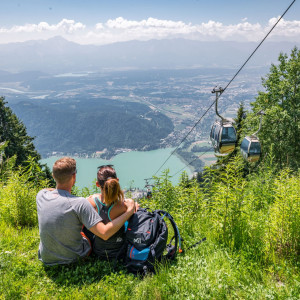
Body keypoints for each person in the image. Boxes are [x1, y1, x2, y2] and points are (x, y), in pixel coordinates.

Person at [36, 157, 136, 265]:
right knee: (87, 229)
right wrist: (129, 211)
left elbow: (48, 190)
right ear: (74, 177)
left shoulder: (41, 195)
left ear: (53, 176)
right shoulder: (80, 203)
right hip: (74, 257)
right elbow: (104, 233)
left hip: (46, 257)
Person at [86, 165, 128, 259]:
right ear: (117, 181)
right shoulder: (123, 206)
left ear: (97, 184)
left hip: (98, 251)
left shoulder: (91, 202)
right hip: (119, 251)